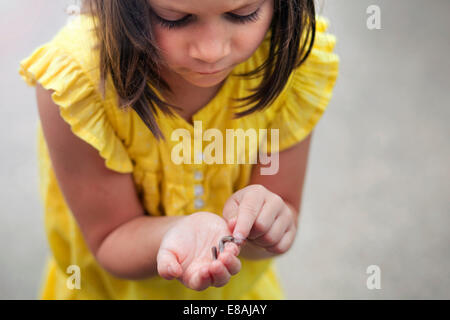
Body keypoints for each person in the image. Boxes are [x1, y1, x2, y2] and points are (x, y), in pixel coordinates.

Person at [18, 0, 339, 299]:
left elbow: (283, 211)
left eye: (244, 14)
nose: (211, 51)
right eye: (174, 18)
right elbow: (109, 239)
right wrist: (173, 232)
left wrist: (262, 226)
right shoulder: (80, 82)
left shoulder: (289, 59)